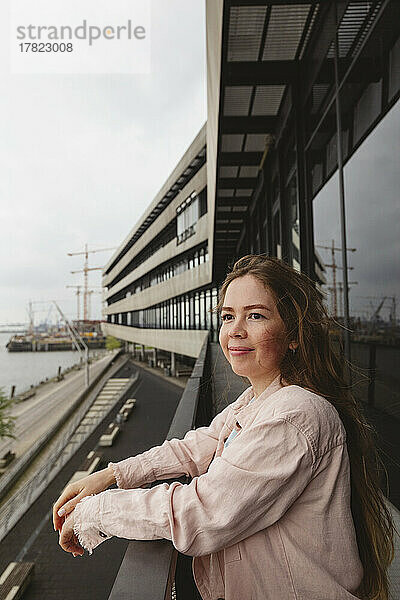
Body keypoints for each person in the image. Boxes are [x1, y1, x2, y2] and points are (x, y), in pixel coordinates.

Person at [53, 255, 395, 600]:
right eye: (228, 316)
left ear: (293, 335)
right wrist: (111, 476)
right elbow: (198, 445)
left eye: (256, 315)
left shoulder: (294, 414)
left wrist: (94, 513)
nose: (235, 330)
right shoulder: (256, 399)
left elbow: (200, 512)